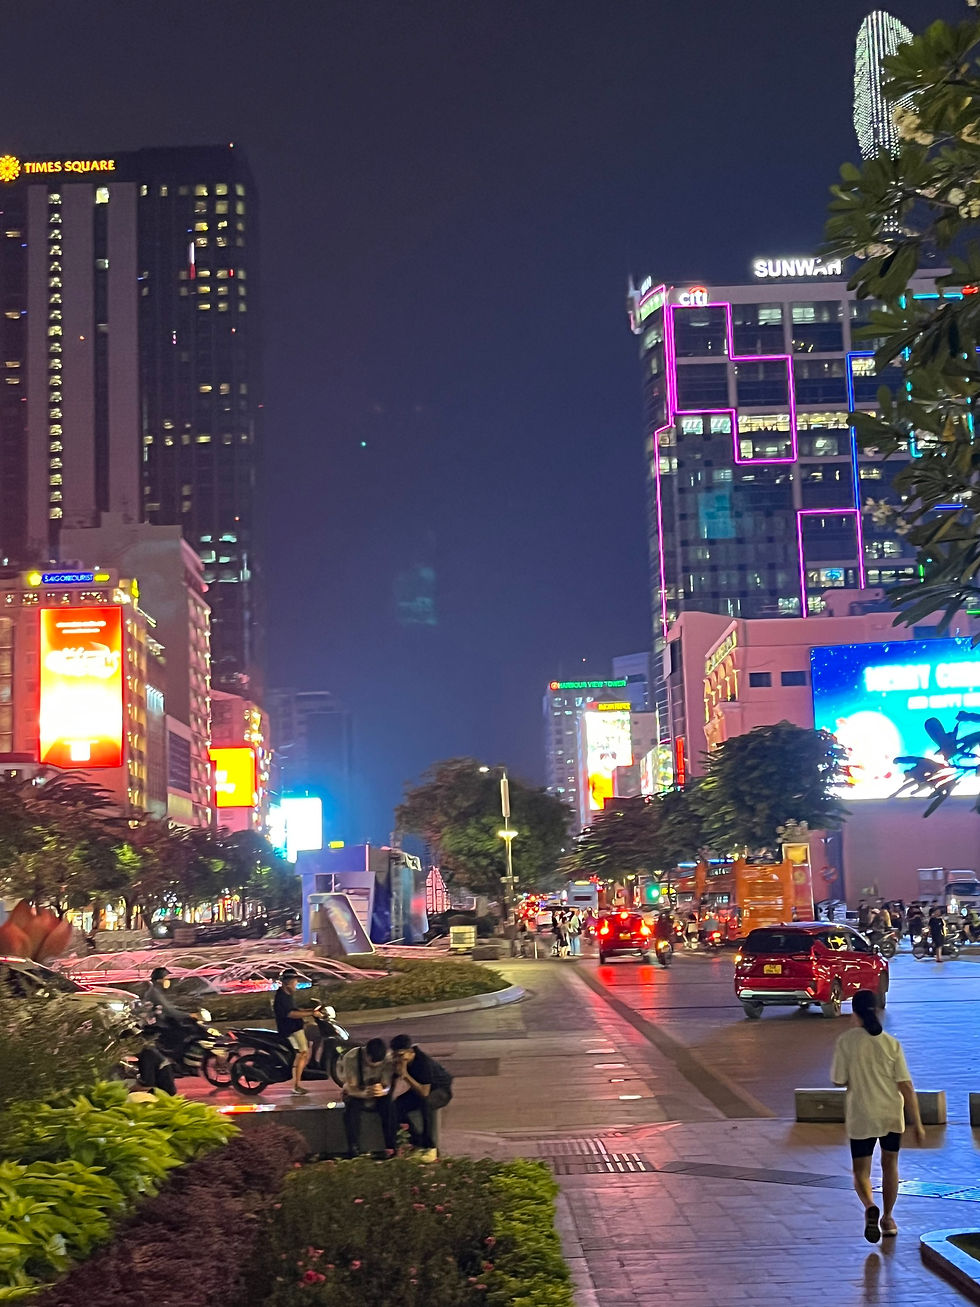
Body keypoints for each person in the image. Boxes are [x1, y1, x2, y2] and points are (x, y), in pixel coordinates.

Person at [831, 989, 925, 1242]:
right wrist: (917, 1123)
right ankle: (889, 1218)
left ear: (855, 1011)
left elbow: (838, 1079)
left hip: (862, 1114)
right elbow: (906, 1085)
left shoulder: (846, 1042)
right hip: (892, 1114)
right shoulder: (891, 1043)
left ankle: (870, 1206)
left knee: (861, 1172)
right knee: (890, 1165)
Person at [388, 1033, 454, 1162]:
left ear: (410, 1052)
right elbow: (393, 1082)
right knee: (396, 1106)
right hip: (418, 1090)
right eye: (395, 1055)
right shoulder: (400, 1062)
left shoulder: (423, 1063)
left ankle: (430, 1146)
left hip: (439, 1091)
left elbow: (425, 1092)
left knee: (426, 1103)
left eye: (401, 1055)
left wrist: (405, 1075)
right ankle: (416, 1140)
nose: (399, 1059)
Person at [339, 1038, 394, 1157]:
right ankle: (354, 1148)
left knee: (390, 1108)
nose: (375, 1066)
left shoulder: (388, 1059)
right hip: (357, 1092)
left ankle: (391, 1146)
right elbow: (350, 1086)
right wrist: (364, 1094)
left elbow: (388, 1085)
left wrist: (383, 1091)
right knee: (351, 1111)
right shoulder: (351, 1057)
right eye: (372, 1063)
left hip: (379, 1094)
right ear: (366, 1055)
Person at [273, 968, 322, 1095]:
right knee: (303, 1052)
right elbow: (290, 1013)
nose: (296, 984)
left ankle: (312, 1062)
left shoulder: (287, 995)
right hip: (291, 1030)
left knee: (316, 1033)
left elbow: (294, 1009)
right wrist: (311, 1013)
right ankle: (297, 1085)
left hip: (296, 1026)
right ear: (287, 983)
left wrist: (308, 1011)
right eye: (295, 981)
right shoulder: (281, 997)